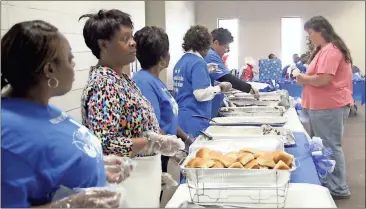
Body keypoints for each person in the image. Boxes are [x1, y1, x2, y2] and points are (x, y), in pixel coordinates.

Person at [1, 20, 132, 208]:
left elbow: (51, 163)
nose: (74, 65)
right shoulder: (7, 137)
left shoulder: (44, 109)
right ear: (50, 70)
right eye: (70, 59)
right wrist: (72, 204)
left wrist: (95, 165)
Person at [79, 9, 184, 208]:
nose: (133, 42)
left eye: (132, 36)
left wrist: (153, 168)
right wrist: (152, 143)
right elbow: (105, 142)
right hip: (126, 182)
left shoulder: (122, 80)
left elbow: (132, 127)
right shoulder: (104, 84)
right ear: (103, 45)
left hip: (140, 175)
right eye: (125, 38)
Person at [295, 16, 353, 199]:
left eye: (311, 34)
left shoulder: (332, 50)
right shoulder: (324, 50)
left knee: (330, 146)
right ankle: (328, 182)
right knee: (322, 147)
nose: (310, 38)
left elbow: (323, 79)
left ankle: (338, 187)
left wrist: (302, 78)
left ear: (321, 31)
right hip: (322, 106)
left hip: (329, 106)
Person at [131, 26, 192, 188]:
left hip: (164, 149)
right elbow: (152, 126)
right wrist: (171, 149)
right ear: (163, 57)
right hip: (155, 154)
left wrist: (186, 138)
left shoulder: (154, 80)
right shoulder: (143, 82)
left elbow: (167, 117)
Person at [173, 25, 232, 137]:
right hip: (195, 119)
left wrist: (206, 69)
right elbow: (200, 94)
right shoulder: (198, 63)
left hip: (182, 119)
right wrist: (220, 88)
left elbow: (187, 82)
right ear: (204, 45)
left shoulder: (181, 62)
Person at [204, 28, 260, 117]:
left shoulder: (210, 54)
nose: (226, 50)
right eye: (225, 47)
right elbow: (226, 77)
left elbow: (215, 77)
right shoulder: (211, 55)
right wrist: (249, 88)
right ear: (216, 43)